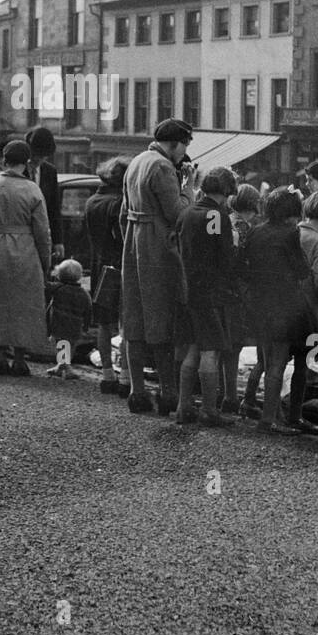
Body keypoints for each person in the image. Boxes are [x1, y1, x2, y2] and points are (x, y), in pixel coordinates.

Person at [120, 118, 197, 415]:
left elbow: (124, 212)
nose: (184, 153)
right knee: (162, 318)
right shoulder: (163, 167)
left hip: (134, 242)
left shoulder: (137, 161)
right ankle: (168, 392)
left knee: (135, 319)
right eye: (185, 146)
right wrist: (189, 186)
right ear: (174, 143)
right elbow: (178, 213)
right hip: (158, 247)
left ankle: (137, 391)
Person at [0, 139, 52, 375]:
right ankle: (19, 359)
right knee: (24, 303)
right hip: (25, 249)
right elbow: (42, 231)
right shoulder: (32, 190)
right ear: (26, 163)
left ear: (5, 160)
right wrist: (45, 262)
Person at [238, 188, 316, 431]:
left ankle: (250, 404)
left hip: (259, 304)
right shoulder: (291, 233)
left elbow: (243, 267)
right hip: (284, 306)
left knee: (264, 357)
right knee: (277, 363)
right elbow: (302, 271)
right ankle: (268, 419)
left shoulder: (255, 231)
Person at [172, 166, 239, 427]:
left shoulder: (187, 212)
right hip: (209, 292)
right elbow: (220, 256)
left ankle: (183, 406)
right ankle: (209, 410)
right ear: (226, 190)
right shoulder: (215, 215)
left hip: (186, 289)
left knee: (192, 348)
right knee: (210, 349)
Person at [83, 157, 129, 396]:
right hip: (118, 265)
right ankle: (126, 376)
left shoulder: (92, 201)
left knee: (103, 323)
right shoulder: (119, 202)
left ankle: (107, 374)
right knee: (125, 323)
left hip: (98, 264)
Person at [221, 184, 262, 414]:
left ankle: (222, 393)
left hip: (222, 289)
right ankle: (229, 396)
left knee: (223, 345)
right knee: (233, 346)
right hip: (239, 293)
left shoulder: (223, 220)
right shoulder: (244, 228)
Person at [45, 259, 92, 380]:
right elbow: (88, 309)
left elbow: (45, 285)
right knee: (69, 345)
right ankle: (62, 366)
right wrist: (86, 325)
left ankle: (66, 367)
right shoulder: (84, 293)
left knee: (62, 344)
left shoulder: (58, 288)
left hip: (59, 323)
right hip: (76, 325)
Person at [25, 126, 65, 263]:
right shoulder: (18, 170)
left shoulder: (50, 171)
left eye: (43, 155)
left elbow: (54, 208)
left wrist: (58, 241)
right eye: (36, 154)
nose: (39, 159)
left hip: (43, 236)